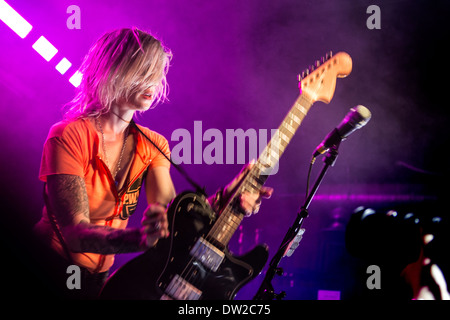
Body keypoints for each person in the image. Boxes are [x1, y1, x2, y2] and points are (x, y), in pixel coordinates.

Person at [34, 27, 273, 299]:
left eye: (158, 72)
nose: (155, 82)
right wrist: (140, 239)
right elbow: (76, 234)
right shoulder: (68, 134)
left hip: (100, 281)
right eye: (144, 71)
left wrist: (227, 197)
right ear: (113, 70)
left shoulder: (154, 144)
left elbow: (176, 222)